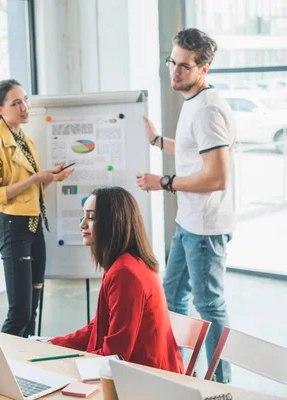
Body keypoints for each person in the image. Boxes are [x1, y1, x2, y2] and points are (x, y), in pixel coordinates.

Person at [136, 28, 235, 383]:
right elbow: (196, 151)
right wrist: (159, 141)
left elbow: (216, 177)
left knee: (209, 306)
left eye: (184, 66)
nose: (174, 72)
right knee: (173, 297)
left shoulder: (208, 109)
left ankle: (221, 386)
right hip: (189, 222)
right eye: (172, 62)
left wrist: (162, 182)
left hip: (205, 227)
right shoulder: (194, 102)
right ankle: (176, 373)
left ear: (203, 69)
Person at [50, 187, 184, 374]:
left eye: (90, 217)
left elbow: (116, 356)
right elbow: (97, 328)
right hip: (140, 375)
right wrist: (51, 344)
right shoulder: (124, 264)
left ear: (112, 222)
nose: (82, 224)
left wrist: (68, 365)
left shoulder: (125, 273)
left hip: (150, 383)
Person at [0, 79, 73, 338]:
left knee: (33, 307)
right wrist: (35, 178)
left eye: (25, 100)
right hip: (14, 227)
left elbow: (29, 192)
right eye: (16, 103)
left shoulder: (23, 139)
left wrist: (50, 179)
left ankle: (25, 365)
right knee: (20, 310)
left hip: (33, 226)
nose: (25, 107)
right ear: (0, 109)